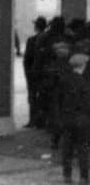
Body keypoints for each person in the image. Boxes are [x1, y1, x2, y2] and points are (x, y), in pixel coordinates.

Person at [60, 51, 90, 183]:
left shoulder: (63, 80)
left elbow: (58, 101)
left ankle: (67, 175)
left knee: (67, 148)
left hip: (67, 118)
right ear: (82, 65)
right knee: (82, 149)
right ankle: (84, 177)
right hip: (82, 119)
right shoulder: (84, 82)